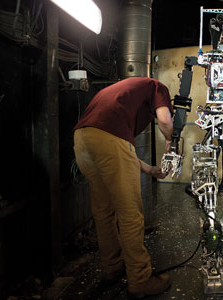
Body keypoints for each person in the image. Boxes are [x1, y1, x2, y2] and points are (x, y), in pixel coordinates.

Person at [73, 77, 173, 297]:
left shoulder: (121, 94)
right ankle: (140, 280)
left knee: (103, 212)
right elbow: (165, 122)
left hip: (82, 139)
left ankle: (113, 267)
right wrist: (170, 140)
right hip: (108, 140)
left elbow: (116, 149)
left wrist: (150, 170)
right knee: (130, 214)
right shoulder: (158, 87)